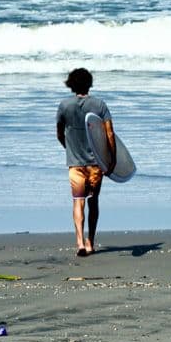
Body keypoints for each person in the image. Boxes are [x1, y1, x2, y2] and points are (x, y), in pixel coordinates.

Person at [56, 67, 114, 257]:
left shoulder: (64, 106)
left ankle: (80, 242)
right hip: (96, 164)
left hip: (75, 164)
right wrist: (111, 159)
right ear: (89, 83)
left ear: (71, 84)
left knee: (77, 202)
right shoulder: (99, 105)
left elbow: (59, 133)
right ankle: (91, 242)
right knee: (93, 202)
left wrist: (69, 148)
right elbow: (109, 134)